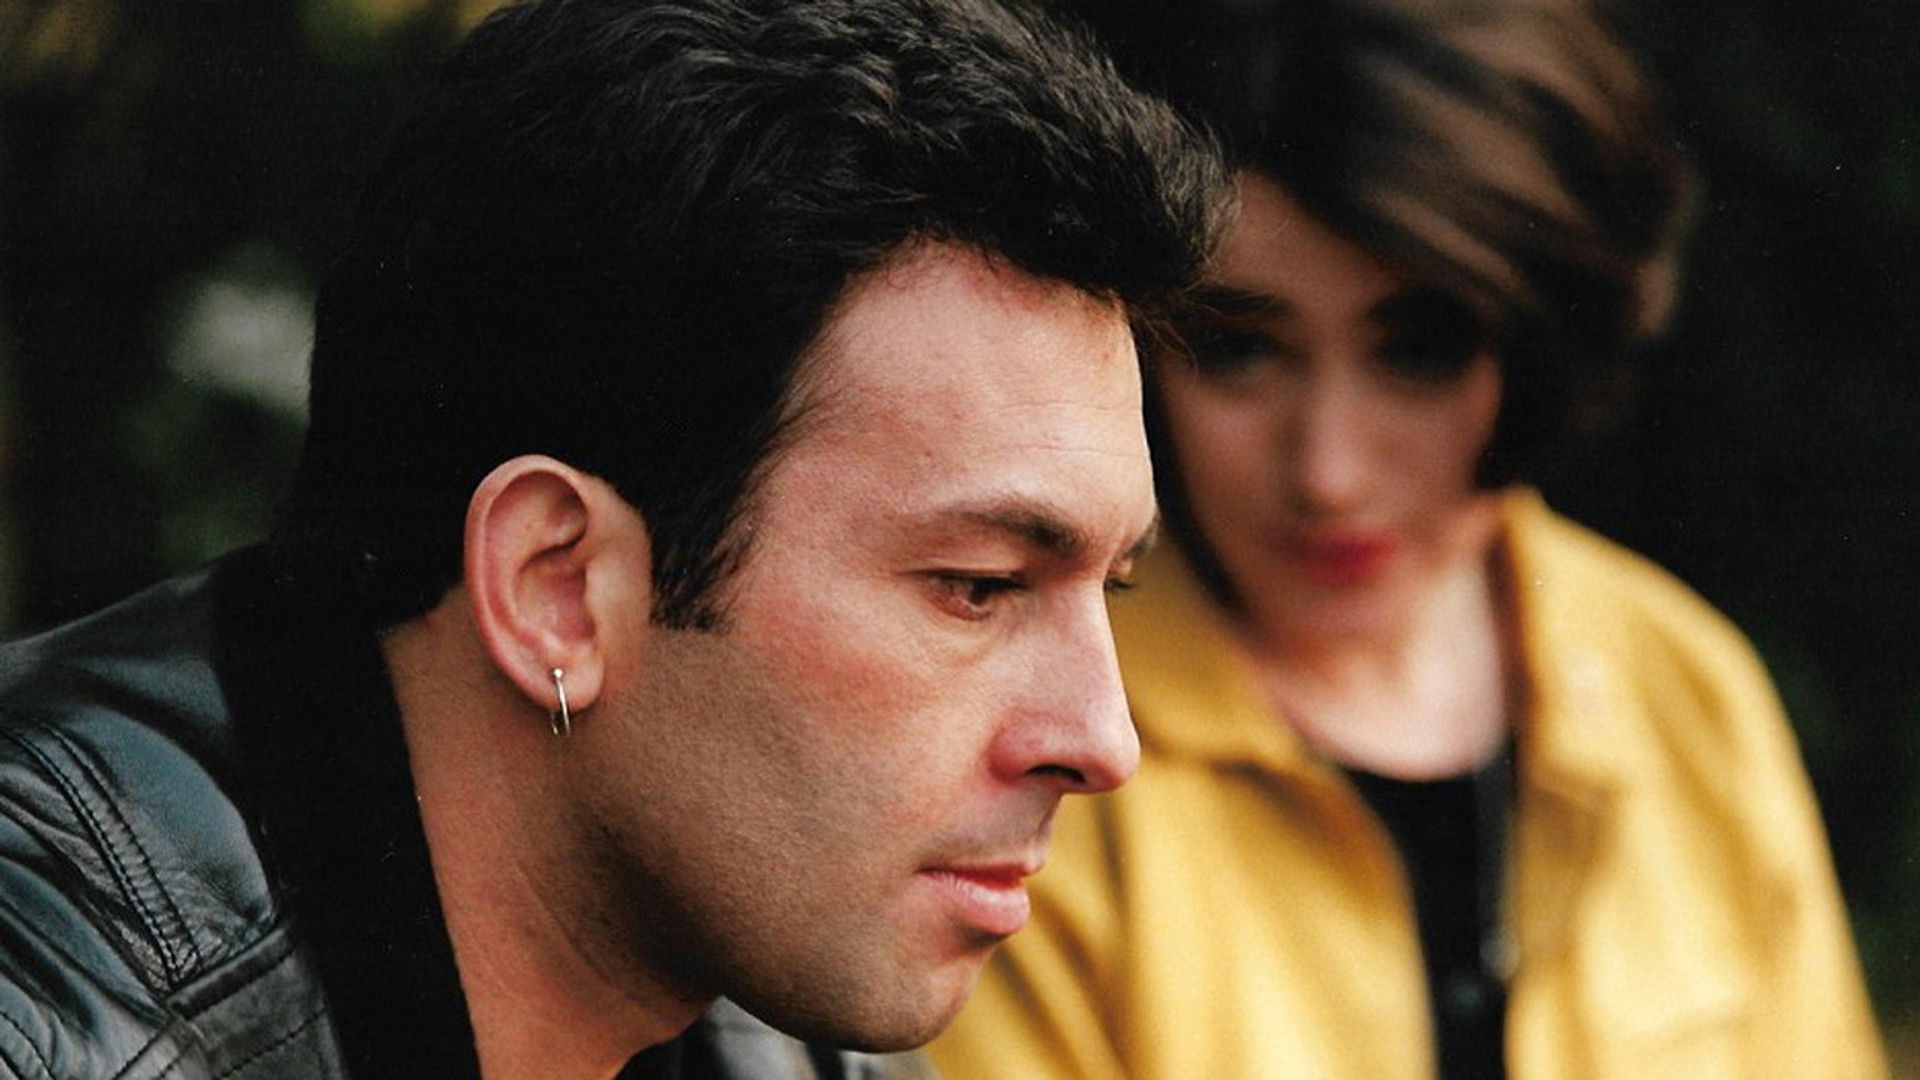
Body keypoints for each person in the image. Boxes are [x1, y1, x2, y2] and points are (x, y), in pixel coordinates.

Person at [0, 0, 1228, 1076]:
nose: (1104, 741)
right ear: (558, 587)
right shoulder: (55, 1019)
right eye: (979, 586)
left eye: (1111, 585)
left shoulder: (765, 1014)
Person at [929, 0, 1886, 1077]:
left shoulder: (1688, 691)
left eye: (1418, 352)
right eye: (1240, 349)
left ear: (1541, 343)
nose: (1328, 472)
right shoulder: (1039, 753)